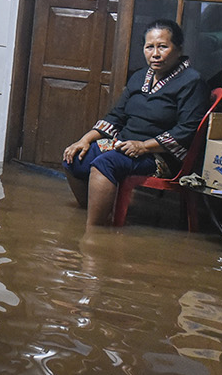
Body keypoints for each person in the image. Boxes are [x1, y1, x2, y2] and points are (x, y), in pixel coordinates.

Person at [62, 19, 211, 227]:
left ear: (178, 49)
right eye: (150, 47)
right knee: (73, 157)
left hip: (159, 155)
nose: (155, 54)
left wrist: (143, 146)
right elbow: (117, 116)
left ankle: (94, 233)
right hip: (124, 144)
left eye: (163, 47)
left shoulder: (192, 82)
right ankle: (95, 210)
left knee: (106, 163)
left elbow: (186, 131)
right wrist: (84, 139)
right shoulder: (140, 77)